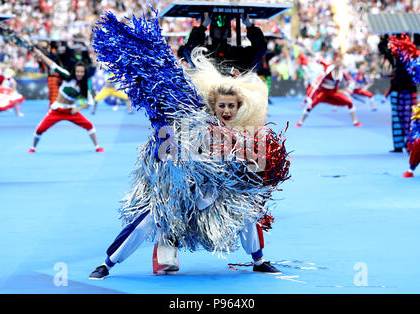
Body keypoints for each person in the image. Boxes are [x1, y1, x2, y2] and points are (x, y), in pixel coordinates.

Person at [88, 11, 289, 280]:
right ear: (212, 104)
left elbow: (255, 168)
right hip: (178, 190)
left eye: (232, 106)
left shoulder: (243, 133)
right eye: (222, 106)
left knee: (248, 210)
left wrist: (251, 164)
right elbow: (164, 151)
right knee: (151, 218)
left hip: (215, 196)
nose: (227, 111)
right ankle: (109, 263)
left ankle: (258, 259)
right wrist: (178, 163)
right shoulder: (188, 121)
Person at [27, 47, 104, 153]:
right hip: (57, 110)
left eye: (82, 72)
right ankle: (33, 148)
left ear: (84, 73)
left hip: (71, 112)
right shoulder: (67, 76)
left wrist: (77, 109)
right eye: (78, 71)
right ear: (75, 71)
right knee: (40, 129)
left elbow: (90, 102)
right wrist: (41, 55)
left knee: (89, 125)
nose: (79, 74)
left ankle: (97, 147)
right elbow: (53, 66)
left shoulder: (84, 86)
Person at [178, 13, 267, 74]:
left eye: (225, 28)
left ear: (229, 31)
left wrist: (249, 26)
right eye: (218, 27)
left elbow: (260, 49)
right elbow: (188, 51)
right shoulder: (205, 53)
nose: (221, 30)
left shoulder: (235, 53)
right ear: (212, 30)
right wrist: (202, 27)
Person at [295, 52, 362, 127]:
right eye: (336, 62)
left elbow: (350, 81)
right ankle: (300, 122)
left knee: (349, 102)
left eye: (339, 62)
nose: (338, 63)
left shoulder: (342, 72)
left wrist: (344, 90)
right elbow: (319, 59)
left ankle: (355, 122)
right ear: (334, 62)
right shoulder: (328, 67)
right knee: (310, 106)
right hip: (323, 92)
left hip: (333, 93)